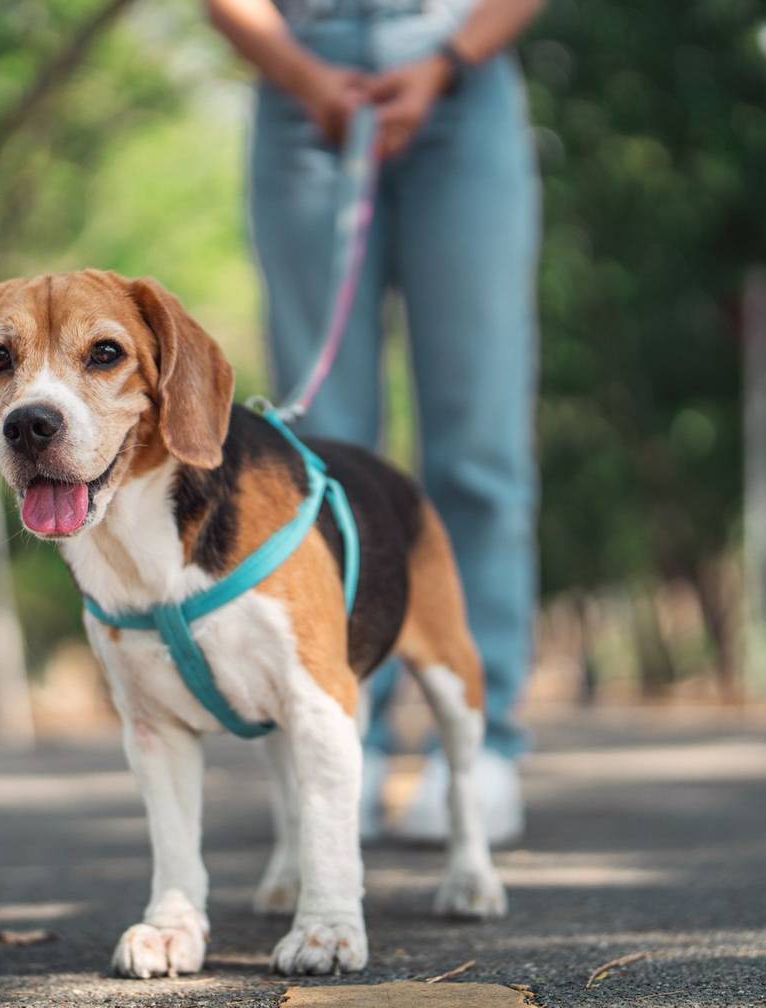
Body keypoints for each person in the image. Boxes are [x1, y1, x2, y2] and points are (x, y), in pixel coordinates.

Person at [207, 0, 544, 843]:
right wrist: (301, 72)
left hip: (463, 85)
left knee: (479, 442)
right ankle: (341, 732)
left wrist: (445, 61)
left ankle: (482, 744)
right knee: (319, 454)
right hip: (304, 93)